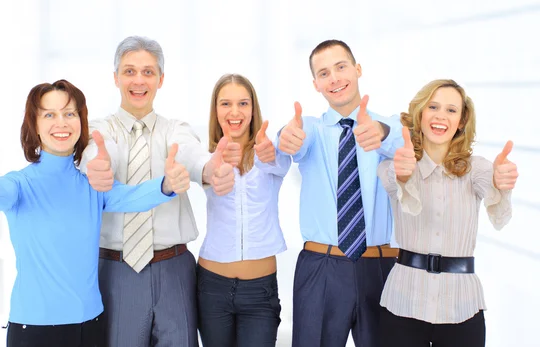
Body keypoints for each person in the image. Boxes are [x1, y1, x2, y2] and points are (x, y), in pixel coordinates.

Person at [0, 79, 190, 347]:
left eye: (69, 113)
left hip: (91, 325)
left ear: (81, 121)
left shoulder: (91, 186)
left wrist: (167, 184)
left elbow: (131, 196)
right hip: (35, 329)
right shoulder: (20, 184)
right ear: (34, 124)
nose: (62, 123)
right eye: (49, 115)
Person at [80, 36, 236, 347]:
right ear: (115, 78)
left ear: (161, 79)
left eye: (148, 72)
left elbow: (192, 156)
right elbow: (98, 154)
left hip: (174, 270)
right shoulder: (99, 130)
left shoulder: (175, 129)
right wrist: (96, 167)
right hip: (116, 271)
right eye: (129, 71)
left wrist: (209, 170)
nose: (139, 80)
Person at [275, 39, 404, 347]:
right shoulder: (311, 128)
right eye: (323, 73)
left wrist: (381, 133)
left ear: (357, 70)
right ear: (316, 84)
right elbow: (291, 137)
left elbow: (403, 143)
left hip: (381, 265)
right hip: (322, 266)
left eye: (341, 67)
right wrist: (286, 136)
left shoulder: (391, 126)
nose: (334, 78)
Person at [377, 79, 518, 347]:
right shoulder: (391, 167)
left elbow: (497, 204)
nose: (441, 115)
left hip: (461, 306)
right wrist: (405, 174)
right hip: (404, 302)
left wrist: (502, 183)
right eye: (433, 106)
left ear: (461, 121)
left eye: (451, 110)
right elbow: (401, 188)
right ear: (420, 114)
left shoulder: (477, 169)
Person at [196, 74, 290, 347]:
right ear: (216, 110)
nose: (234, 112)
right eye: (226, 104)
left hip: (259, 291)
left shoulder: (269, 154)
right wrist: (215, 164)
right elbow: (201, 172)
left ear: (253, 109)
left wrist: (267, 154)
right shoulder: (206, 157)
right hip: (212, 287)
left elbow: (279, 163)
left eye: (243, 103)